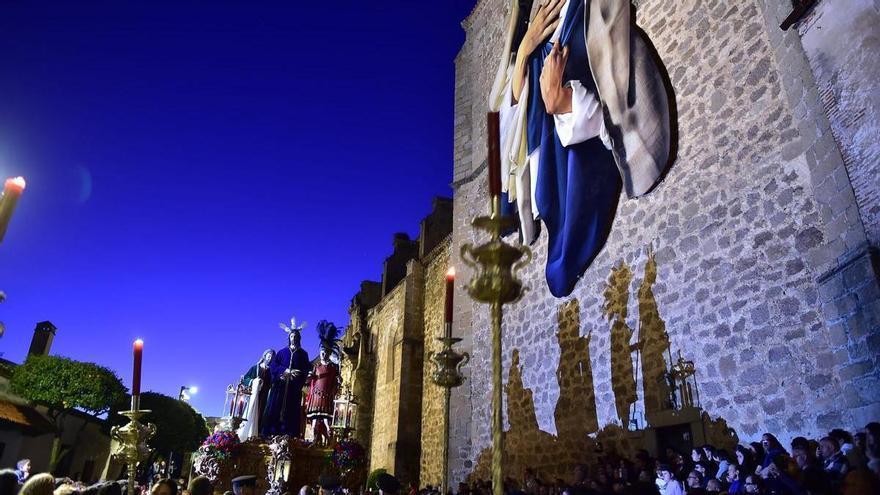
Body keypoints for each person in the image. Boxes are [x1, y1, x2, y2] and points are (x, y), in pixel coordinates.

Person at [262, 319, 311, 437]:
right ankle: (271, 433)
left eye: (295, 336)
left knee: (291, 411)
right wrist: (285, 371)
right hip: (280, 387)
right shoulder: (282, 352)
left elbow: (306, 369)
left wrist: (298, 373)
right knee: (275, 409)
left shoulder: (303, 354)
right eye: (291, 336)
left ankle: (289, 435)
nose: (293, 338)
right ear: (289, 338)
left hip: (293, 389)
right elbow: (273, 366)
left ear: (299, 338)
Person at [306, 321, 342, 445]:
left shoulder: (333, 368)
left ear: (329, 353)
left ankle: (329, 441)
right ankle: (314, 440)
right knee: (315, 421)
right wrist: (309, 377)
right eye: (321, 351)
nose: (323, 354)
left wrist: (338, 381)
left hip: (327, 396)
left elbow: (336, 383)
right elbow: (308, 381)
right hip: (316, 395)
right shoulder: (316, 366)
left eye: (325, 352)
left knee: (327, 421)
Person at [237, 348, 275, 441]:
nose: (270, 358)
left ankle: (260, 434)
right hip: (255, 396)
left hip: (266, 397)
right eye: (269, 356)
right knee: (252, 413)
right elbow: (245, 379)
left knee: (264, 414)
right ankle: (250, 432)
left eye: (272, 357)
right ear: (264, 356)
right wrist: (254, 381)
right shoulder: (255, 368)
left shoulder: (272, 371)